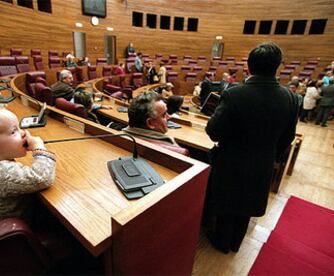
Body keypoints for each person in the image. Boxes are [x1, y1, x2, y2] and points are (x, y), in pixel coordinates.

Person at [204, 42, 299, 254]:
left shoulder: (235, 94)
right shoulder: (291, 98)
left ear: (249, 66)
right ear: (278, 67)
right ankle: (236, 243)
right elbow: (287, 138)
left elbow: (214, 132)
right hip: (263, 162)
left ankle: (221, 242)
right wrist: (269, 152)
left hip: (231, 161)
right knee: (246, 205)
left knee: (228, 204)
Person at [124, 90, 188, 155]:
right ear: (150, 123)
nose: (169, 117)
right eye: (164, 115)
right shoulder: (178, 153)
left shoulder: (120, 137)